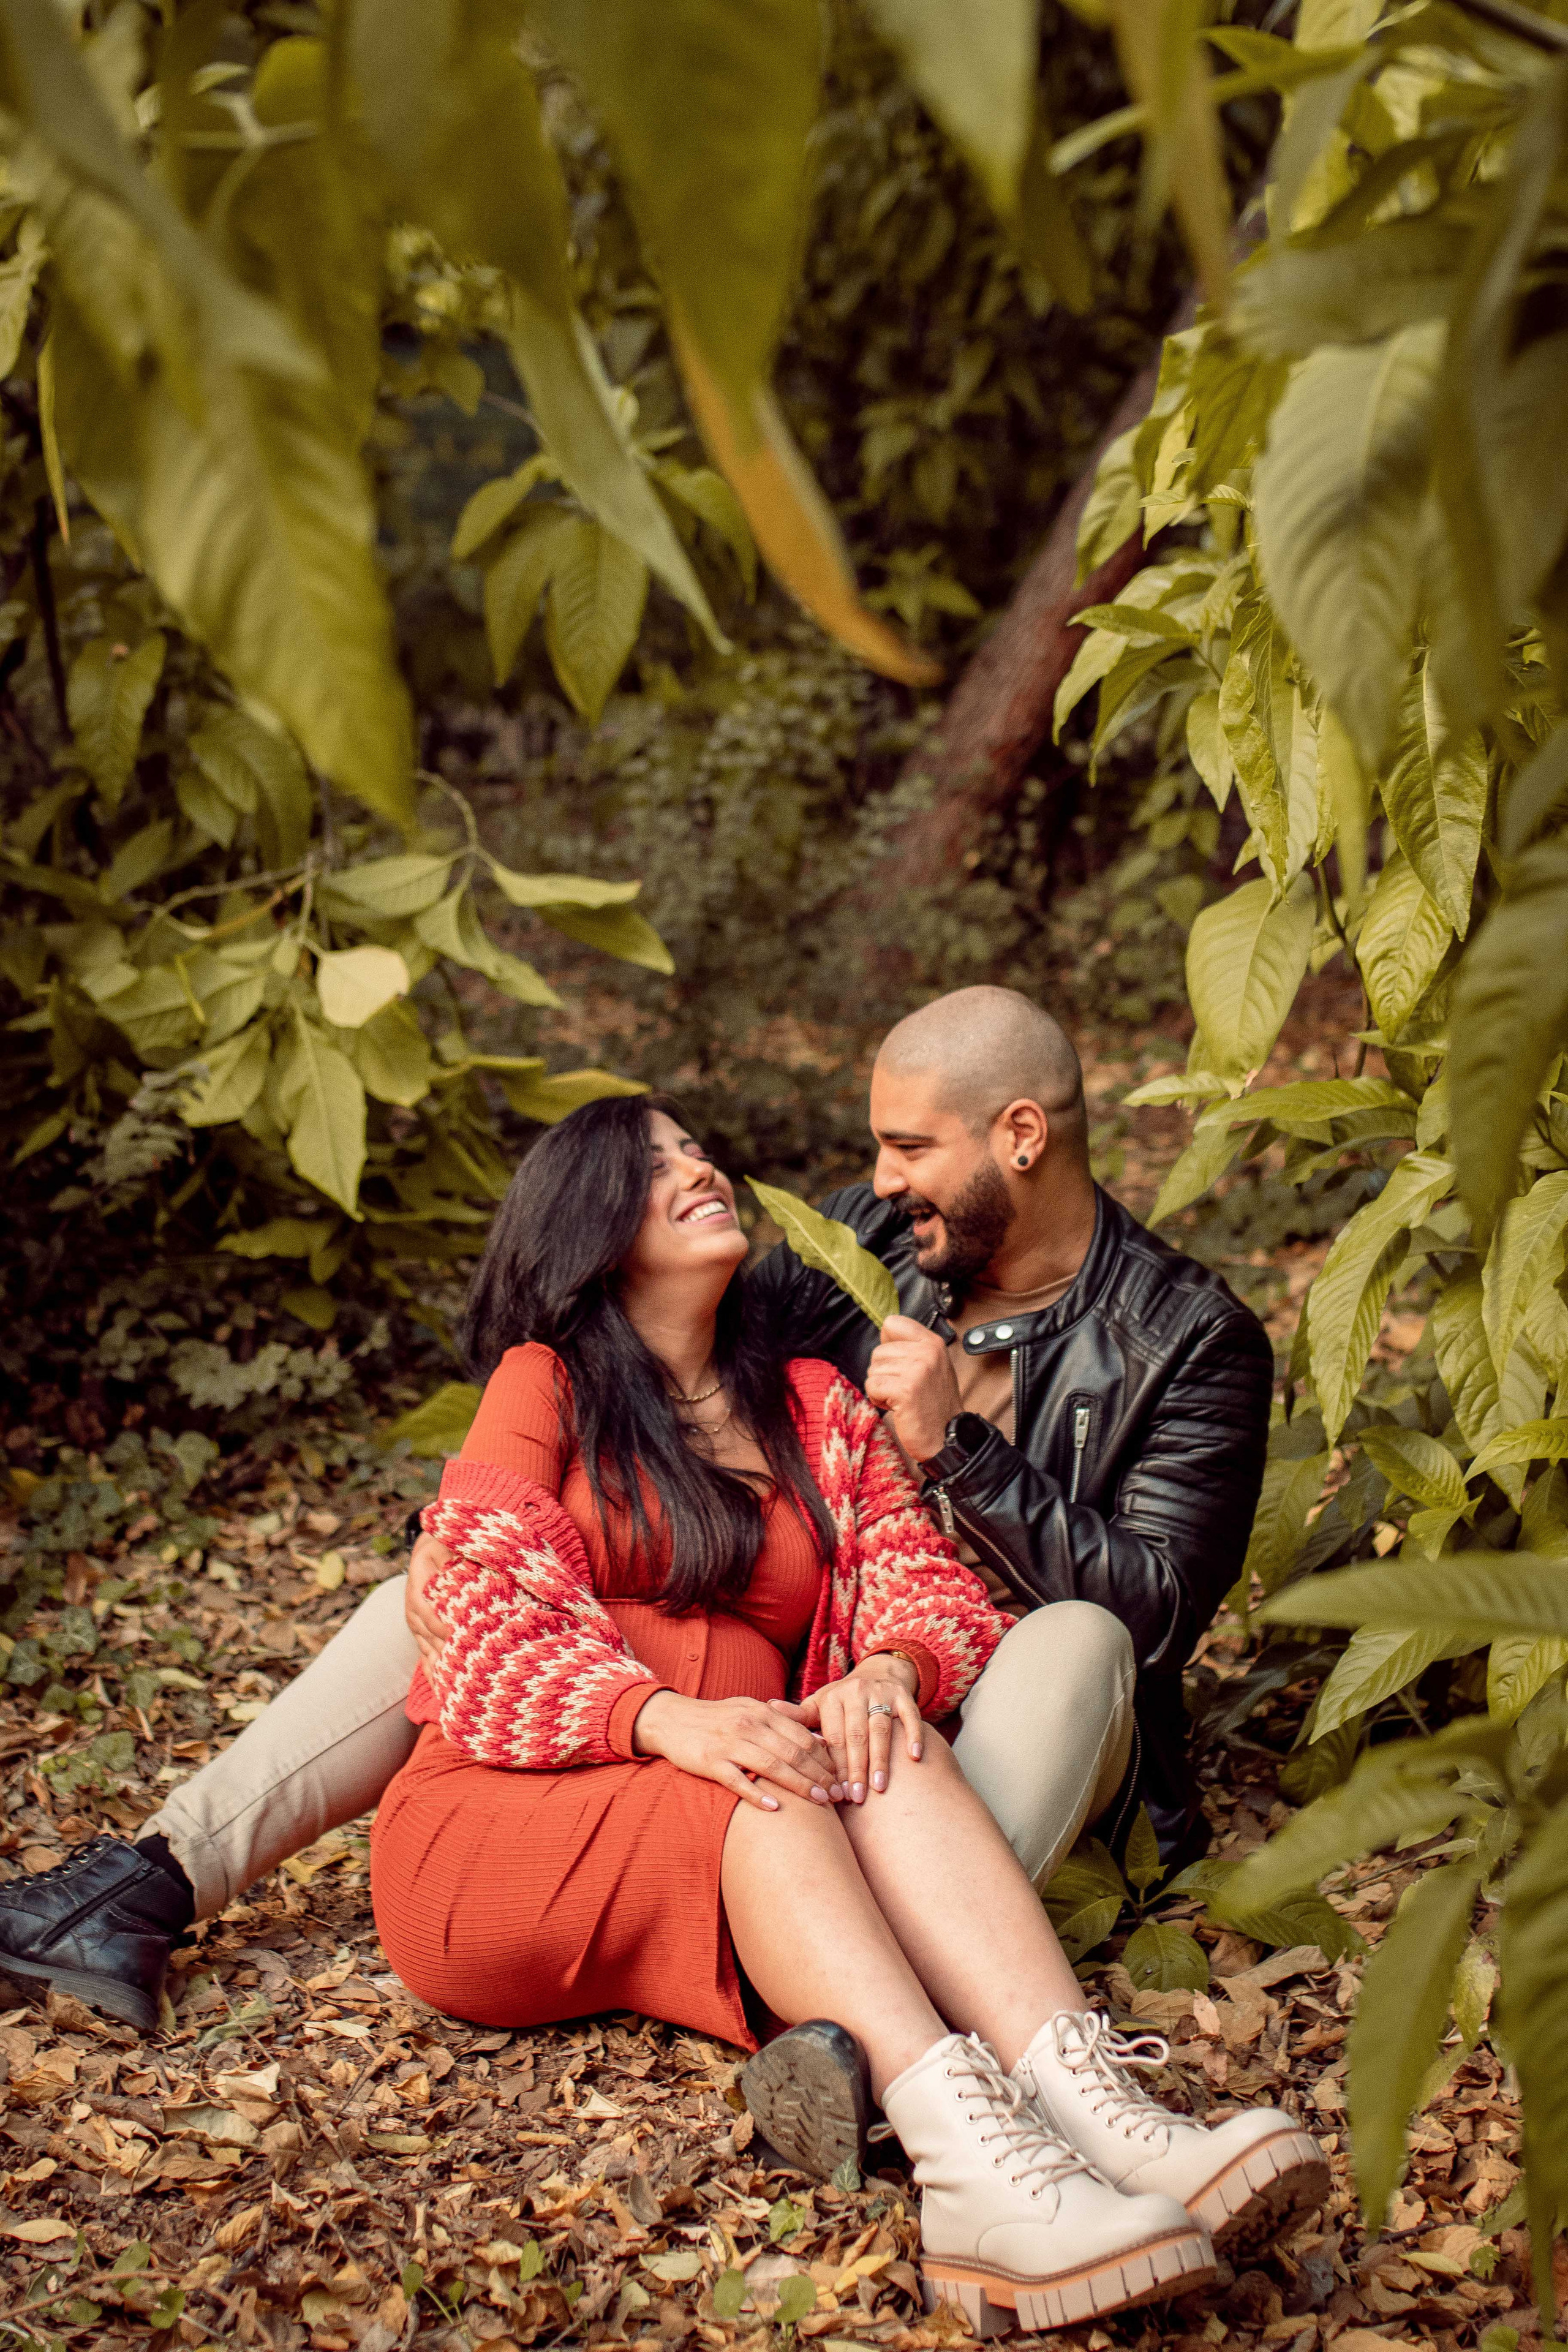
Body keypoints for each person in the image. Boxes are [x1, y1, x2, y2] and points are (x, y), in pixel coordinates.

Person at [0, 990, 1274, 2141]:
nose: (877, 1182)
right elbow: (681, 1378)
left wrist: (959, 1458)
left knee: (1079, 1643)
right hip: (825, 1683)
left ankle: (906, 2022)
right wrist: (472, 1527)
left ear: (1018, 1137)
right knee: (433, 1593)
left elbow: (1150, 1610)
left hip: (1000, 1708)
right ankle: (143, 1881)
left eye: (907, 1149)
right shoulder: (868, 1246)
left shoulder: (1189, 1340)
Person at [375, 1095, 1324, 2331]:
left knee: (887, 1739)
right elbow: (480, 1617)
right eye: (652, 1163)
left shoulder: (811, 1398)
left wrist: (894, 1668)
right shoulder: (543, 1385)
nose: (698, 1164)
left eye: (694, 1145)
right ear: (592, 1226)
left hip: (739, 1803)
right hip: (506, 1837)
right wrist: (666, 1719)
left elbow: (914, 1574)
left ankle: (1107, 2120)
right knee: (768, 1777)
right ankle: (964, 2163)